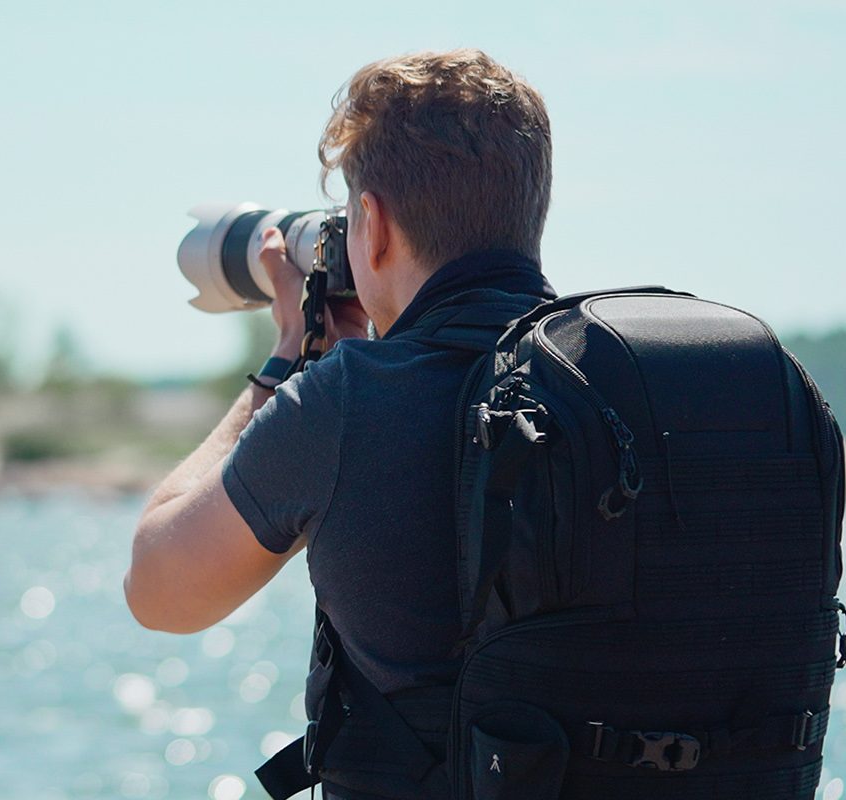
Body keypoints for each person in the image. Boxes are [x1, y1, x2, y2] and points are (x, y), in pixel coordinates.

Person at [126, 49, 556, 799]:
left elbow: (159, 589)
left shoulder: (345, 403)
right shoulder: (619, 381)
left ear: (373, 225)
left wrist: (290, 357)